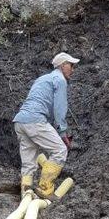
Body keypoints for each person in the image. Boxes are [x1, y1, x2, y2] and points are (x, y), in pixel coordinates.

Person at [13, 51, 78, 198]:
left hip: (20, 121)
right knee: (60, 150)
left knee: (29, 158)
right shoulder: (60, 80)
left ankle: (26, 191)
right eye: (71, 66)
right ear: (63, 65)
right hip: (35, 120)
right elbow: (60, 108)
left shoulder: (42, 79)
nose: (73, 70)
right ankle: (45, 190)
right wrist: (63, 132)